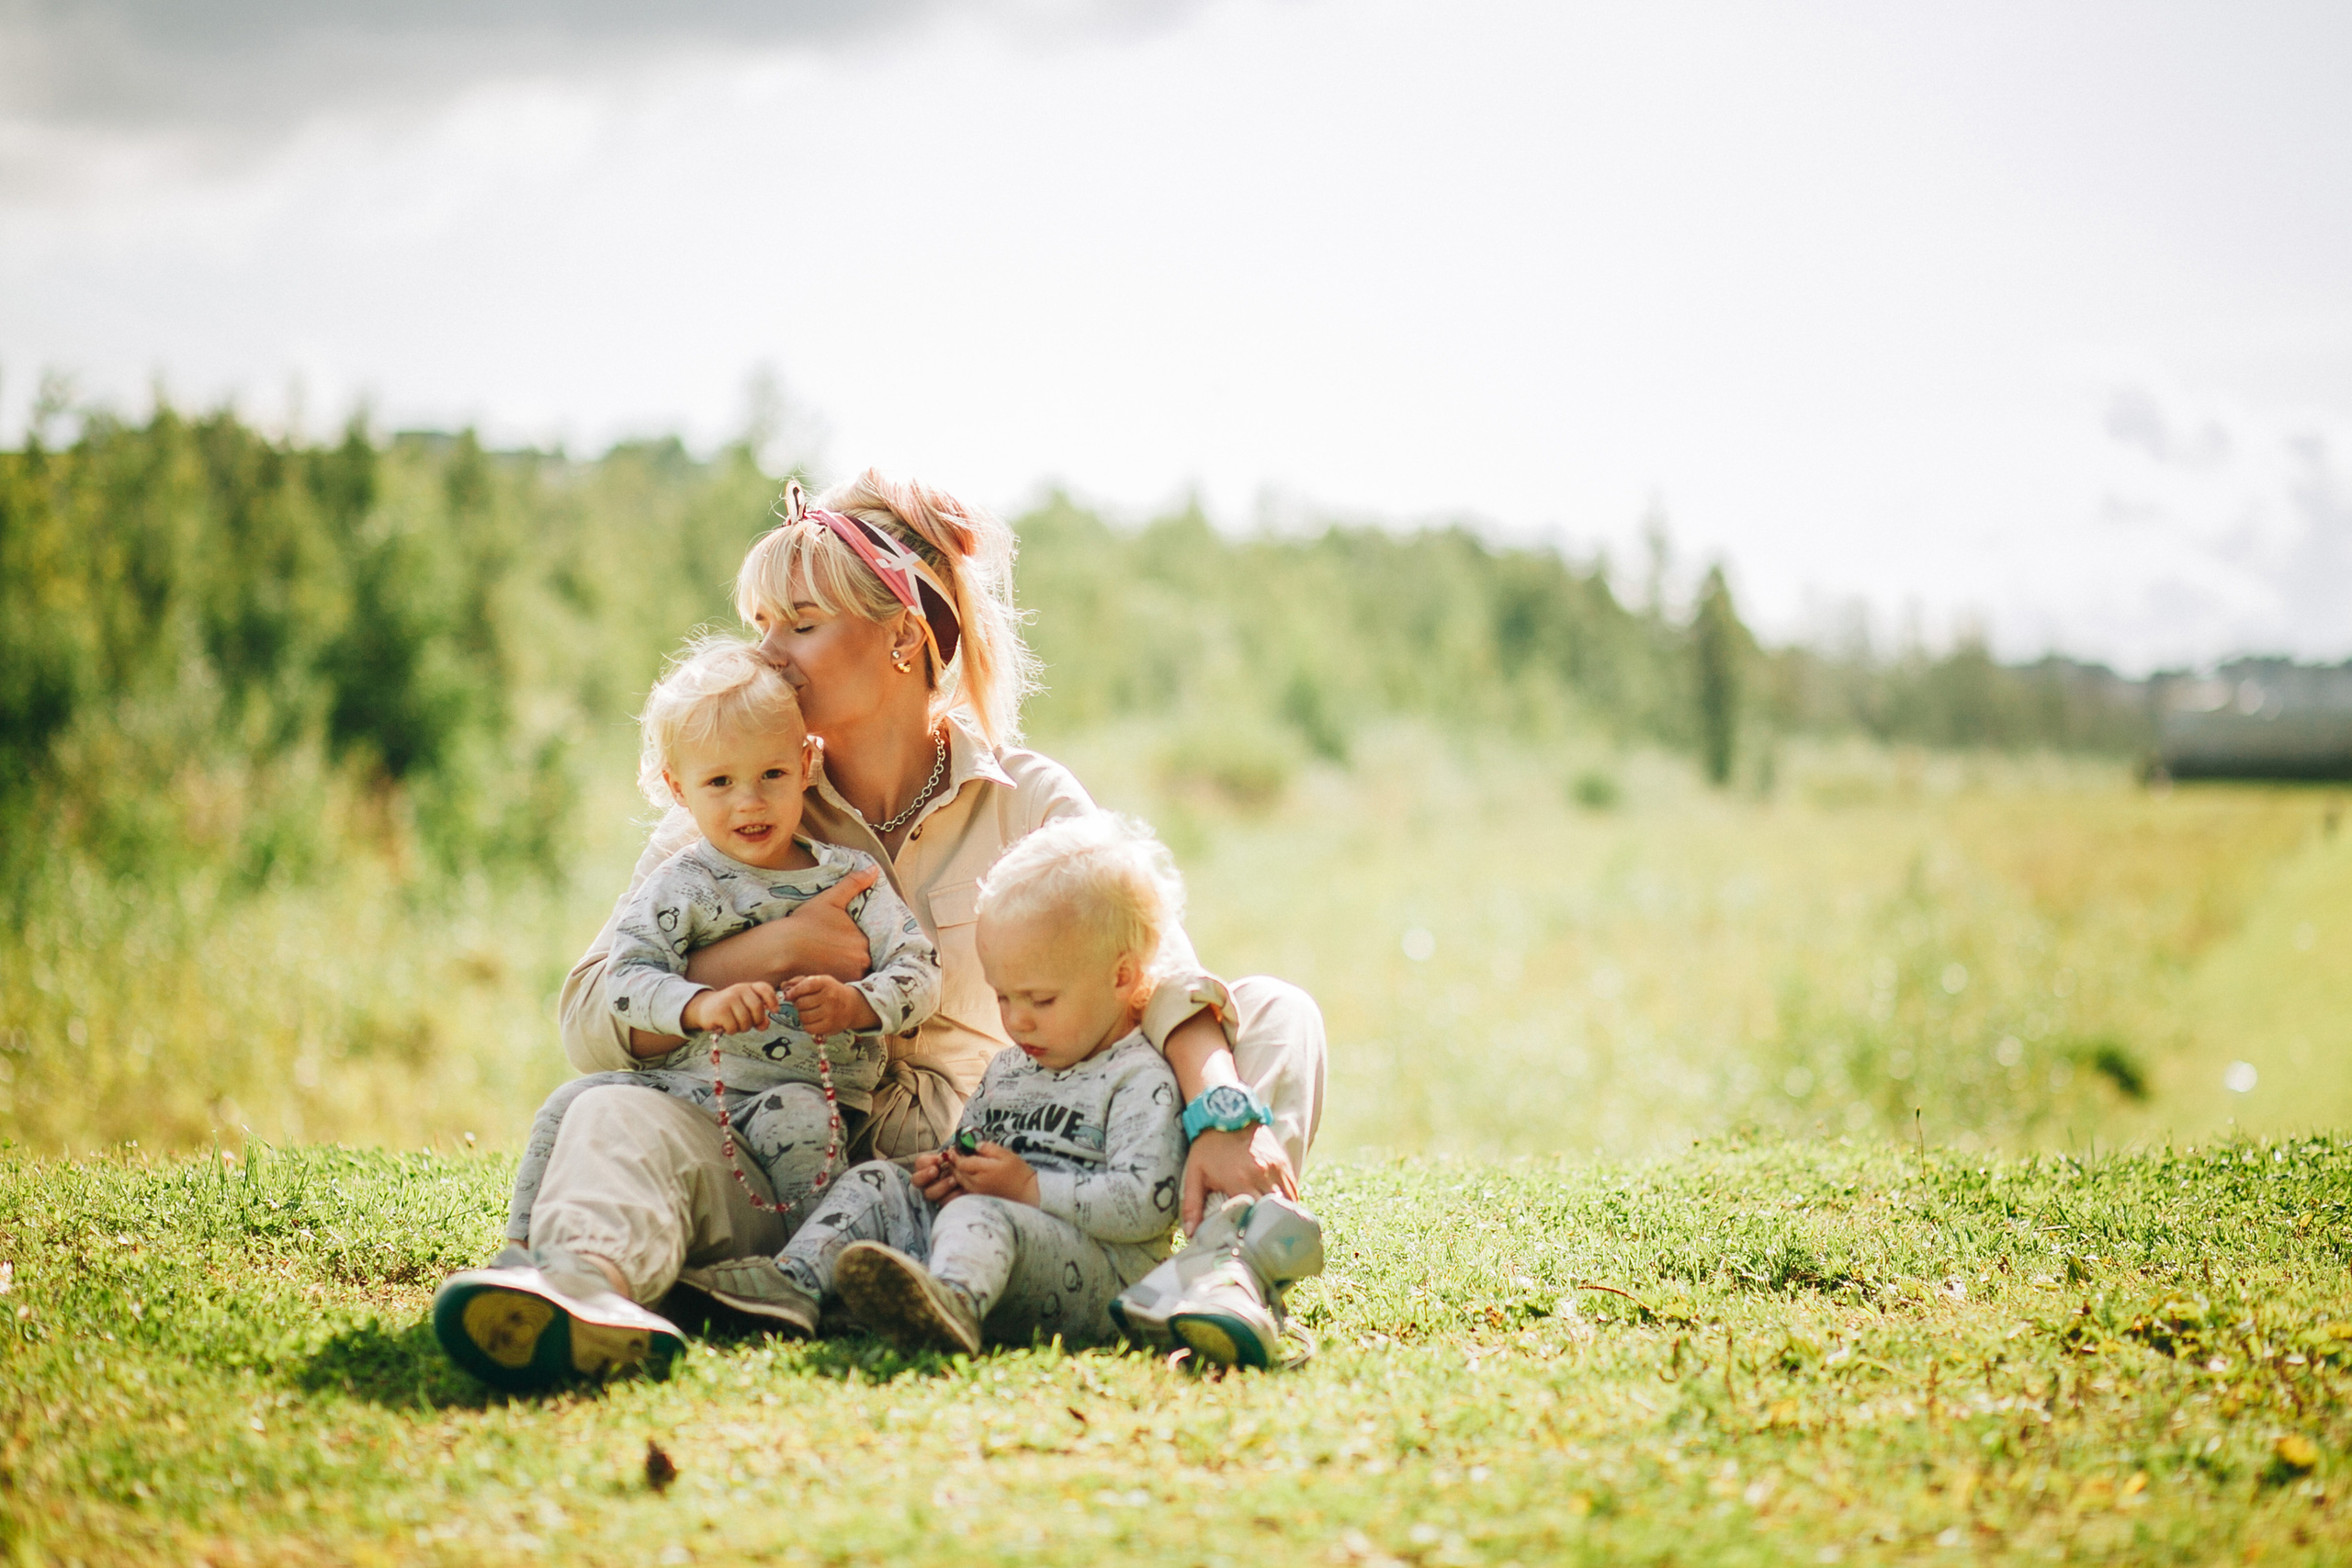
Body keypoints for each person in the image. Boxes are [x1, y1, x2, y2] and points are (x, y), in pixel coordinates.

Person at [430, 469, 1328, 1383]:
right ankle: (582, 1294)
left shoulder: (1027, 797)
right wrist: (769, 951)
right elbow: (589, 1016)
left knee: (1270, 1014)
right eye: (761, 627)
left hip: (990, 1181)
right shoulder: (737, 794)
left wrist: (1223, 1107)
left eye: (802, 624)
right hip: (780, 1179)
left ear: (902, 637)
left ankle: (1223, 1274)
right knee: (612, 1110)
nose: (771, 655)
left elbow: (1160, 971)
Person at [435, 637, 938, 1391]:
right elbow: (624, 980)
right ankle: (555, 1277)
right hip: (687, 1113)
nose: (749, 801)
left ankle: (787, 1279)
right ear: (679, 788)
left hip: (791, 1152)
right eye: (720, 781)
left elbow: (921, 971)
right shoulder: (679, 884)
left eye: (771, 774)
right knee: (584, 1104)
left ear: (807, 762)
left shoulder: (852, 882)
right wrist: (698, 1003)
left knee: (799, 1117)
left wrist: (858, 1004)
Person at [734, 813, 1193, 1351]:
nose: (1017, 1020)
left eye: (1041, 999)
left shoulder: (1141, 1077)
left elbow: (1146, 1203)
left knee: (980, 1212)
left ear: (1122, 976)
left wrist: (1027, 1189)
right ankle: (793, 1285)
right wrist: (948, 1171)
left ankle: (946, 1309)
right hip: (986, 1235)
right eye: (1003, 996)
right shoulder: (1011, 1067)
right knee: (878, 1182)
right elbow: (971, 1147)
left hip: (1098, 1278)